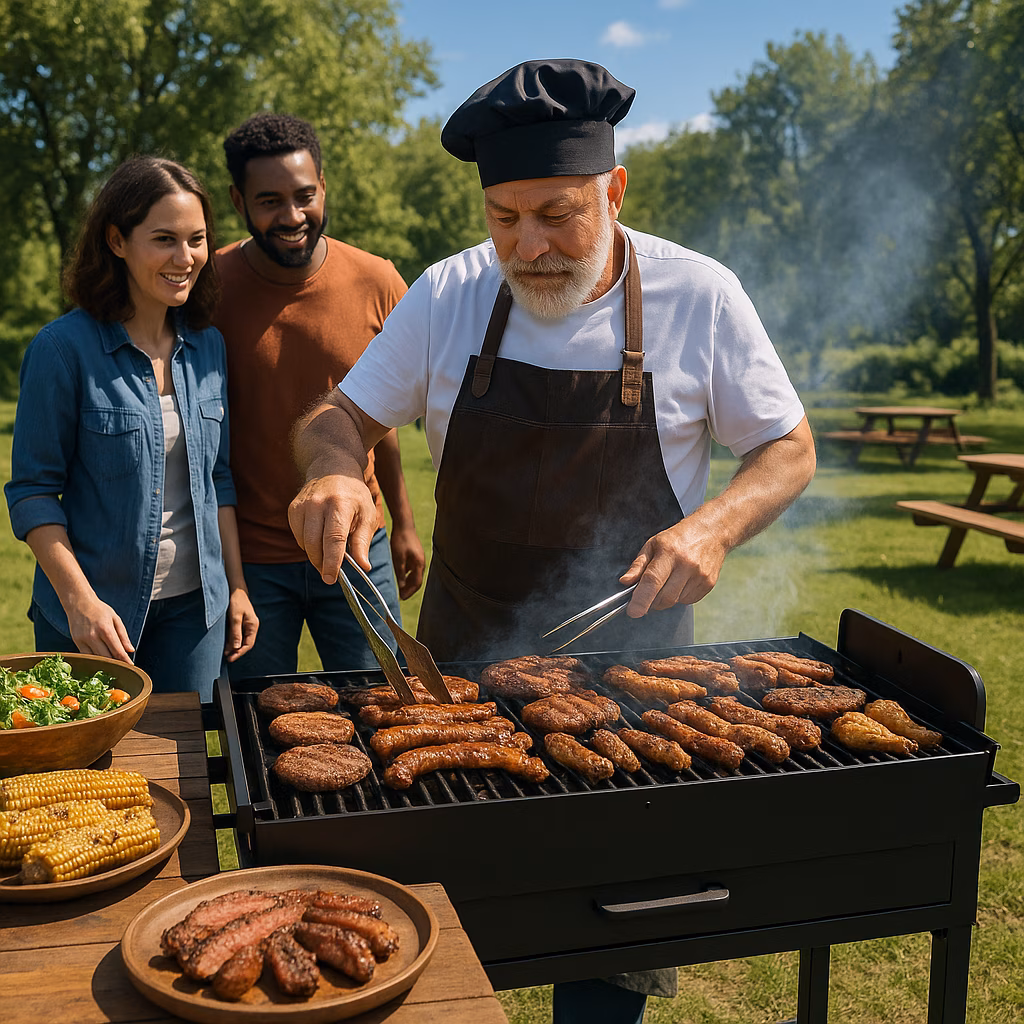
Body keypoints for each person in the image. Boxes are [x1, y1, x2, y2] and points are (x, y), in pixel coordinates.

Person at [286, 59, 817, 1022]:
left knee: (608, 952)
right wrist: (330, 467)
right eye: (504, 217)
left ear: (614, 188)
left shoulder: (699, 296)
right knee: (429, 951)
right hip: (450, 677)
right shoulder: (450, 295)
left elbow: (787, 448)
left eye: (558, 214)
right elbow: (336, 416)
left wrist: (712, 528)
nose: (528, 246)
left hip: (632, 687)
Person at [5, 156, 257, 702]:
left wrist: (234, 586)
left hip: (197, 616)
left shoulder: (208, 346)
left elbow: (217, 479)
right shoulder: (61, 350)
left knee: (182, 775)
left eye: (196, 239)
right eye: (163, 238)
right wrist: (80, 603)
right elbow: (31, 493)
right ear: (117, 241)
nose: (184, 257)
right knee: (89, 781)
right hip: (92, 617)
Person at [213, 113, 424, 678]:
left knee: (382, 703)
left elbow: (387, 417)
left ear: (323, 186)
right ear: (239, 200)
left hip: (360, 545)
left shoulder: (378, 281)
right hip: (253, 561)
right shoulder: (209, 288)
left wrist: (401, 524)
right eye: (270, 201)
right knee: (260, 718)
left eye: (305, 195)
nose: (292, 216)